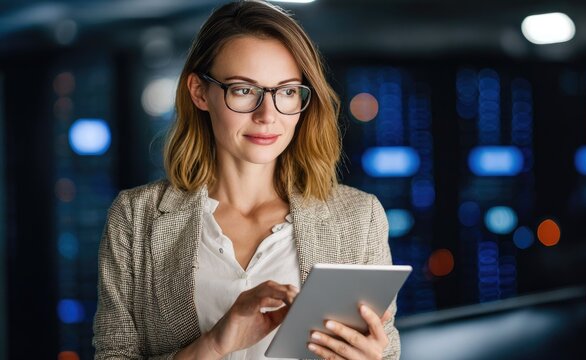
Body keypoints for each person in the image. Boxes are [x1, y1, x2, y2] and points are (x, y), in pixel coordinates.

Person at [93, 0, 400, 359]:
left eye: (286, 91)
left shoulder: (358, 218)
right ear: (199, 92)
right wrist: (216, 343)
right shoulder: (135, 217)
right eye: (243, 90)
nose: (267, 115)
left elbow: (386, 349)